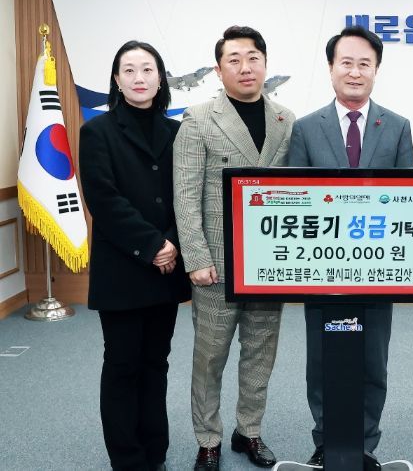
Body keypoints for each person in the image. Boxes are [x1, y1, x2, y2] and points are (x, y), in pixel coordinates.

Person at [288, 25, 413, 466]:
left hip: (378, 269)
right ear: (331, 68)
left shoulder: (397, 127)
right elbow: (295, 202)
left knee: (372, 363)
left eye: (365, 64)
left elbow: (410, 201)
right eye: (347, 63)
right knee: (322, 362)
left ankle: (365, 444)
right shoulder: (306, 129)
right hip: (320, 269)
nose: (355, 72)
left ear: (376, 70)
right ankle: (326, 441)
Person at [173, 26, 295, 470]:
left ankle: (249, 431)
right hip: (216, 266)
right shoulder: (198, 118)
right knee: (210, 357)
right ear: (219, 69)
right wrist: (197, 259)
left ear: (265, 63)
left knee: (260, 352)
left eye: (253, 58)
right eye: (234, 60)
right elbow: (185, 195)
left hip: (269, 264)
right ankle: (208, 438)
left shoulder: (285, 119)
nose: (246, 67)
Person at [79, 40, 191, 471]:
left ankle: (154, 451)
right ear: (116, 80)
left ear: (160, 78)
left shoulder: (177, 132)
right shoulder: (97, 131)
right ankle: (127, 460)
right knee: (123, 365)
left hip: (167, 269)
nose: (139, 78)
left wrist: (172, 242)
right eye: (129, 70)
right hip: (123, 269)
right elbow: (103, 200)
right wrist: (154, 246)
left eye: (147, 69)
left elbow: (186, 197)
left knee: (156, 364)